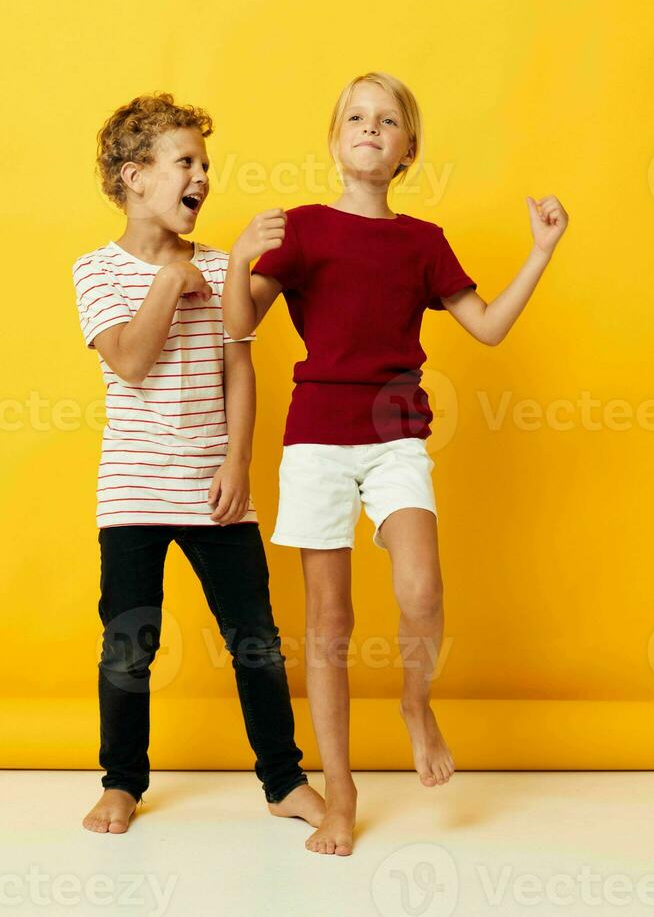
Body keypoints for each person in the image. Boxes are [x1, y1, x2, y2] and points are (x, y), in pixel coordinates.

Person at [222, 71, 569, 856]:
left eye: (387, 121)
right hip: (315, 438)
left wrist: (541, 251)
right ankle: (339, 792)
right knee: (329, 622)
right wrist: (242, 257)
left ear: (409, 149)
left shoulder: (424, 241)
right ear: (335, 138)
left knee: (420, 587)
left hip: (394, 433)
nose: (370, 128)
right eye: (356, 116)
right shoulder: (303, 229)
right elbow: (239, 329)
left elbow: (485, 328)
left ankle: (416, 703)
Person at [72, 92, 325, 835]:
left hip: (215, 487)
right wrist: (164, 285)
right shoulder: (95, 271)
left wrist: (238, 464)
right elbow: (129, 361)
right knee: (129, 643)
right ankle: (122, 781)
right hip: (133, 491)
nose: (203, 176)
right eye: (186, 161)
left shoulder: (221, 269)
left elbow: (240, 368)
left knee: (256, 641)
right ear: (134, 178)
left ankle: (283, 779)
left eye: (205, 163)